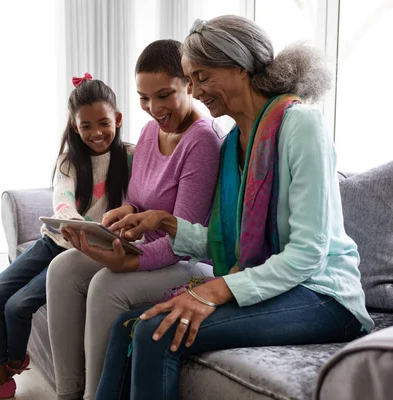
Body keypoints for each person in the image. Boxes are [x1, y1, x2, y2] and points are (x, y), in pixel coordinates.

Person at [94, 16, 375, 400]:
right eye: (191, 79)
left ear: (240, 67)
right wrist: (167, 223)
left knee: (155, 330)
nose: (194, 90)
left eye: (202, 76)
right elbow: (233, 244)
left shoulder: (301, 126)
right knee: (128, 322)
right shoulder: (232, 145)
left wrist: (215, 290)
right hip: (277, 283)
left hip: (324, 296)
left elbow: (309, 253)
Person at [46, 40, 223, 400]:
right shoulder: (148, 132)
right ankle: (68, 393)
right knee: (62, 269)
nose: (154, 108)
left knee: (106, 286)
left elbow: (182, 238)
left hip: (190, 263)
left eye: (164, 95)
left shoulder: (202, 141)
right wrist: (126, 213)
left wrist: (132, 260)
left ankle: (97, 395)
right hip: (147, 247)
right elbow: (140, 201)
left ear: (188, 84)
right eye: (144, 98)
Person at [0, 74, 133, 400]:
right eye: (86, 126)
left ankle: (6, 371)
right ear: (74, 126)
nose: (96, 133)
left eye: (103, 123)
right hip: (55, 241)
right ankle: (1, 372)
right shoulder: (68, 161)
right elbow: (62, 199)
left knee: (17, 307)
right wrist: (70, 220)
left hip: (84, 253)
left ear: (117, 119)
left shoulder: (130, 157)